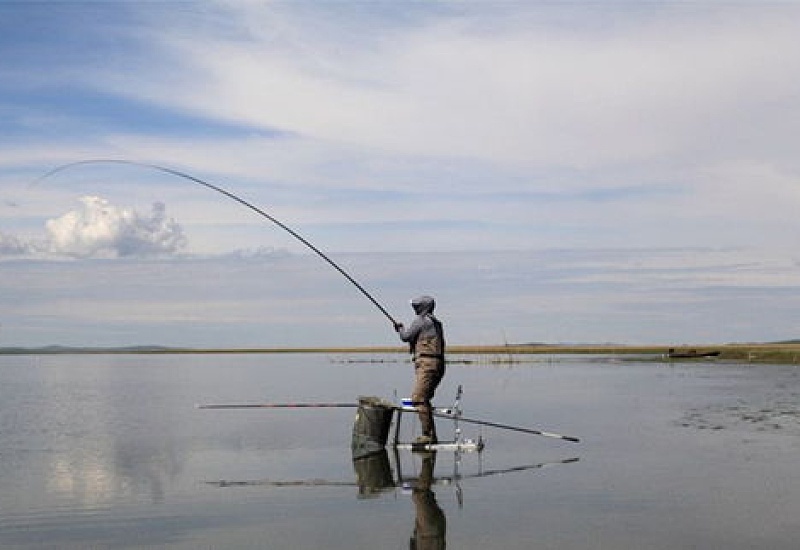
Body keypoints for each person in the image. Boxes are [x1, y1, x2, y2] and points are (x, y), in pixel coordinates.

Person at [394, 295, 445, 444]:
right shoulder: (437, 323)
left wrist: (400, 329)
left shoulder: (421, 321)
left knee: (418, 398)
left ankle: (428, 436)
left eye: (416, 306)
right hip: (438, 365)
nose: (414, 309)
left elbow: (406, 337)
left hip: (427, 365)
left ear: (422, 307)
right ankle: (430, 435)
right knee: (424, 399)